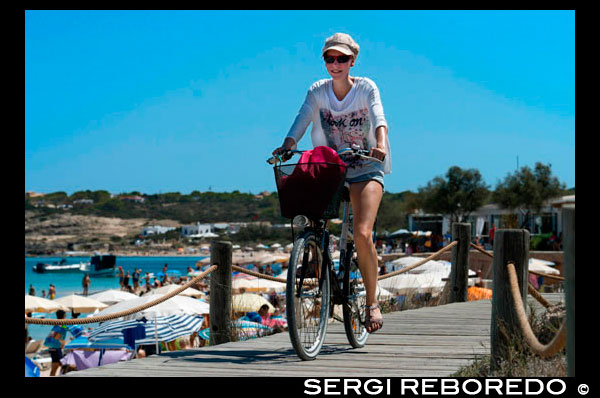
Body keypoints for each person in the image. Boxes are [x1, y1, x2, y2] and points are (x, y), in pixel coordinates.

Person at [272, 33, 390, 333]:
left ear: (353, 61)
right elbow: (303, 117)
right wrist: (288, 142)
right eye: (329, 58)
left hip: (366, 164)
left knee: (362, 233)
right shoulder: (318, 91)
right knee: (305, 210)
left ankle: (372, 302)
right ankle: (313, 256)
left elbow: (379, 117)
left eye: (342, 59)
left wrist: (381, 143)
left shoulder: (365, 87)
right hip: (332, 166)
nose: (335, 64)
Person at [43, 310, 71, 376]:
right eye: (65, 315)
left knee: (57, 366)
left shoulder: (57, 324)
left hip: (53, 348)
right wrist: (62, 342)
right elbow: (57, 336)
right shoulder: (61, 325)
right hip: (56, 348)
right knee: (57, 366)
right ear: (64, 316)